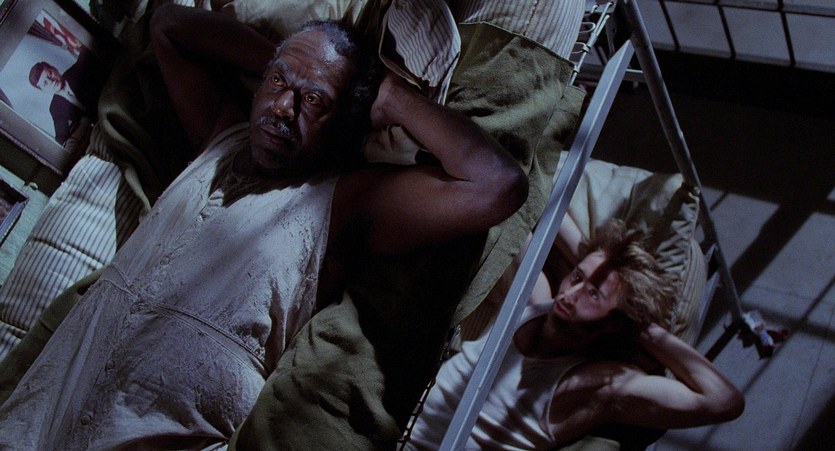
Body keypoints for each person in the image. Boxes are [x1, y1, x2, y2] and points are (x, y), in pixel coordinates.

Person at [0, 3, 527, 449]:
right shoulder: (223, 133)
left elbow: (496, 185)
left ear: (347, 120)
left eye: (313, 102)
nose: (283, 108)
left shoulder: (344, 200)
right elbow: (168, 26)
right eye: (276, 85)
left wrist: (387, 97)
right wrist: (292, 66)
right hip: (30, 425)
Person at [405, 219, 745, 449]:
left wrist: (643, 328)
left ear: (616, 321)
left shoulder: (595, 384)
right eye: (577, 277)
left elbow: (723, 401)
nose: (570, 294)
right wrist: (597, 264)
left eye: (593, 294)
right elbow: (527, 211)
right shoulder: (533, 301)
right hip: (394, 425)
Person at [28, 47, 104, 145]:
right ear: (43, 91)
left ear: (54, 68)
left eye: (49, 74)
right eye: (45, 83)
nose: (51, 81)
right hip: (98, 132)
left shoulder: (78, 69)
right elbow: (61, 138)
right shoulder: (55, 108)